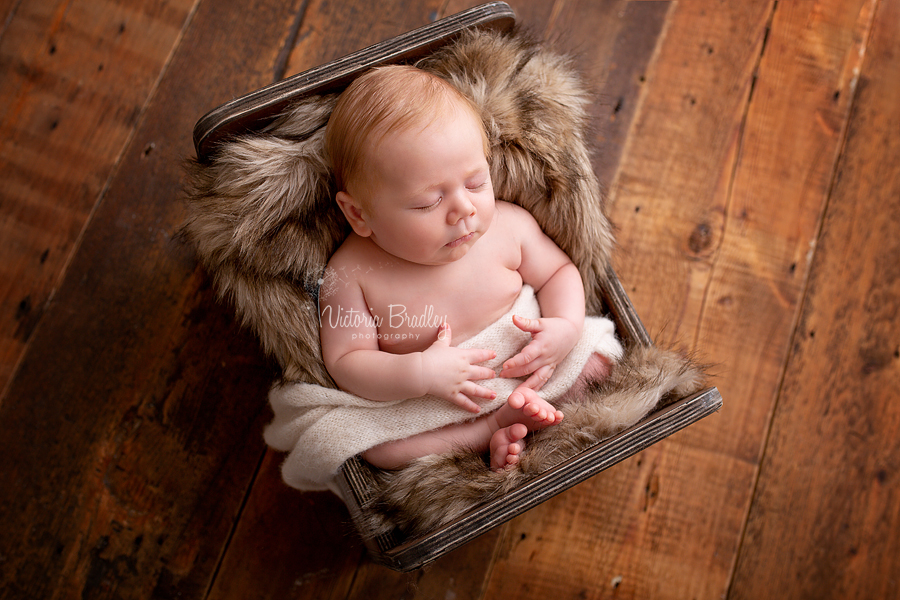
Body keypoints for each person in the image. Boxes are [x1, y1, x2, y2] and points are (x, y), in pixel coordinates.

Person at [320, 64, 614, 471]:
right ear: (359, 214)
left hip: (528, 363)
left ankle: (524, 420)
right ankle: (489, 432)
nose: (464, 210)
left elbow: (559, 272)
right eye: (427, 203)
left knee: (597, 363)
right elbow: (346, 362)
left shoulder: (508, 225)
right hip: (436, 399)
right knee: (381, 451)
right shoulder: (351, 274)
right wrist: (421, 372)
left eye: (476, 182)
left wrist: (564, 327)